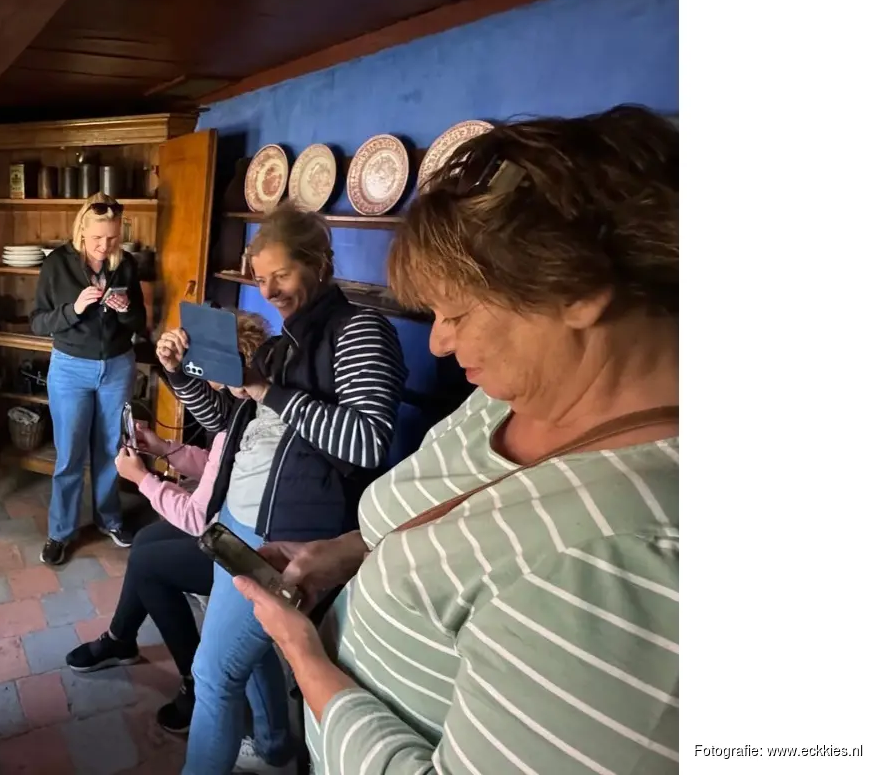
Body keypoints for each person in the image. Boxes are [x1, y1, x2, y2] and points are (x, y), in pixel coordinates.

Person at [234, 105, 680, 775]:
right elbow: (457, 520)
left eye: (458, 312)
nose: (438, 342)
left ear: (578, 288)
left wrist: (305, 656)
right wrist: (347, 552)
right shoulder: (508, 392)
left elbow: (364, 441)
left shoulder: (631, 561)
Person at [154, 203, 409, 775]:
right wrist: (177, 375)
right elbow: (224, 424)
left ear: (319, 264)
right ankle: (274, 747)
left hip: (286, 536)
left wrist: (267, 391)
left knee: (214, 672)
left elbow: (367, 441)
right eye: (260, 278)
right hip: (236, 521)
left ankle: (257, 751)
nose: (268, 291)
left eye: (282, 275)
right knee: (244, 650)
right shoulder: (279, 346)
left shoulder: (361, 331)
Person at [62, 310, 272, 737]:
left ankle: (194, 682)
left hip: (244, 551)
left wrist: (142, 479)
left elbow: (196, 517)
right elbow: (215, 463)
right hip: (227, 524)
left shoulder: (251, 415)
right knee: (146, 541)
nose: (199, 376)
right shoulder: (244, 406)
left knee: (149, 564)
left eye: (205, 366)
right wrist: (162, 448)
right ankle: (121, 638)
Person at [30, 193, 146, 561]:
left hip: (117, 366)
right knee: (69, 453)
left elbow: (140, 321)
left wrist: (126, 311)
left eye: (112, 238)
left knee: (111, 449)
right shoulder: (57, 265)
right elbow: (38, 322)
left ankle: (109, 519)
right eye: (97, 238)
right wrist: (74, 309)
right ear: (81, 230)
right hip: (70, 368)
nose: (104, 246)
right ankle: (60, 532)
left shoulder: (125, 264)